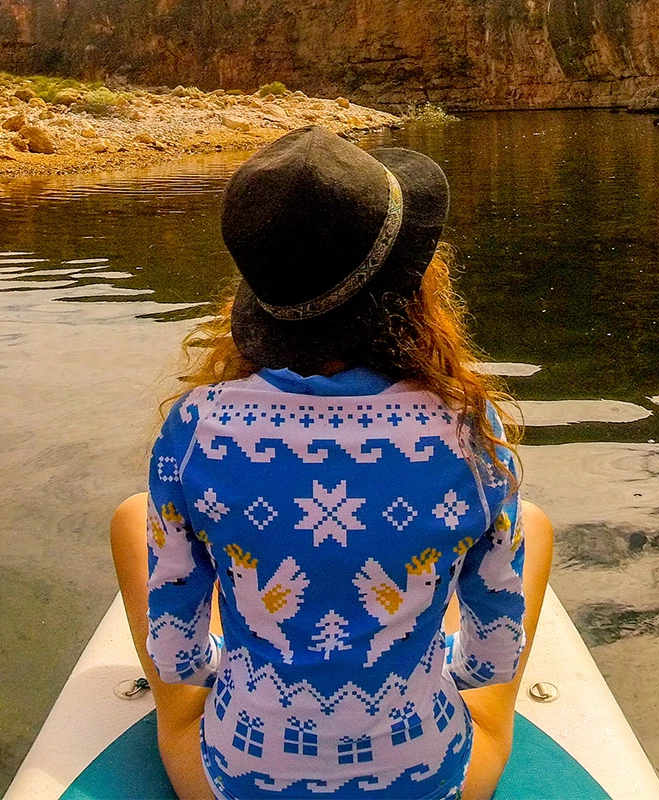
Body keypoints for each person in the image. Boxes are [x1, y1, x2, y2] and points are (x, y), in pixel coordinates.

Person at [108, 125, 554, 800]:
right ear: (413, 287)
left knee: (132, 517)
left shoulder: (195, 428)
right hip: (429, 783)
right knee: (534, 526)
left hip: (237, 782)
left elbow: (180, 658)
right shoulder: (469, 429)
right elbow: (488, 661)